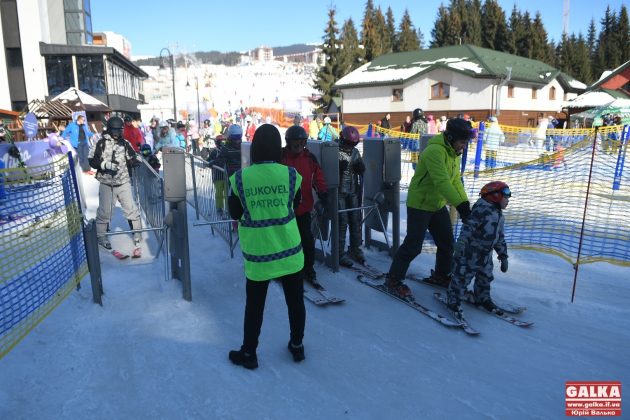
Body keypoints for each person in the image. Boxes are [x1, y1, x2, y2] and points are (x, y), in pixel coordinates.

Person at [228, 124, 306, 370]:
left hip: (259, 256)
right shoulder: (291, 175)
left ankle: (249, 352)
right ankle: (297, 346)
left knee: (255, 306)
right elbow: (297, 203)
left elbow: (234, 211)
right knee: (295, 303)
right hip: (290, 252)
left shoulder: (240, 179)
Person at [384, 118, 474, 298]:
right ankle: (393, 279)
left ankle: (441, 275)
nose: (464, 147)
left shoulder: (453, 153)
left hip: (437, 204)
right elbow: (442, 182)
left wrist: (465, 204)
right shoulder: (435, 151)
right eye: (462, 142)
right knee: (413, 246)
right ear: (451, 137)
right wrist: (460, 205)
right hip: (420, 204)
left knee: (447, 244)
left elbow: (455, 181)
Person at [446, 181, 510, 317]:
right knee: (462, 278)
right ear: (495, 195)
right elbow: (468, 228)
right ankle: (453, 300)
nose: (508, 199)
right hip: (470, 253)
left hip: (486, 255)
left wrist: (503, 256)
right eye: (506, 195)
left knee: (485, 278)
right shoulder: (481, 210)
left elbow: (500, 237)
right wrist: (461, 243)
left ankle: (482, 297)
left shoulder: (499, 215)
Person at [88, 116, 143, 257]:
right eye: (115, 130)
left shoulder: (125, 143)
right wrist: (103, 165)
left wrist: (136, 160)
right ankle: (101, 236)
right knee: (105, 211)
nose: (117, 133)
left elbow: (132, 156)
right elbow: (91, 160)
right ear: (110, 129)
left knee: (131, 208)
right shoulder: (101, 143)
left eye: (120, 130)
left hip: (123, 181)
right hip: (107, 182)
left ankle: (137, 234)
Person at [281, 125, 328, 287]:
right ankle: (287, 269)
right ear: (288, 142)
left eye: (301, 142)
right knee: (287, 241)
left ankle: (308, 268)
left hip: (303, 209)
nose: (298, 146)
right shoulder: (281, 158)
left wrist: (323, 192)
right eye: (295, 142)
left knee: (307, 240)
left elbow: (318, 177)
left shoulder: (309, 158)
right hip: (284, 210)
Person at [336, 125, 366, 267]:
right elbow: (326, 172)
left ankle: (355, 248)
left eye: (353, 144)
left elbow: (361, 167)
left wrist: (361, 167)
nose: (350, 146)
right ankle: (339, 253)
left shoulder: (355, 152)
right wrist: (337, 168)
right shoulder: (334, 150)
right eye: (348, 143)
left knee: (355, 219)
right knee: (342, 221)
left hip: (353, 190)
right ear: (343, 139)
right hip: (339, 192)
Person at [207, 125, 242, 217]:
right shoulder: (242, 146)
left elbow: (219, 161)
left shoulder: (227, 148)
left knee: (234, 197)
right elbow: (219, 161)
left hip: (233, 178)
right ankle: (235, 219)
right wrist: (213, 162)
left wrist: (212, 163)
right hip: (238, 177)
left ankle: (235, 218)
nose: (237, 140)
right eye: (235, 137)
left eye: (238, 137)